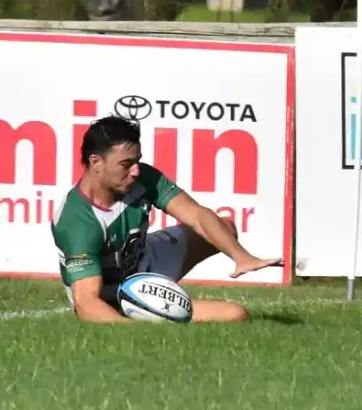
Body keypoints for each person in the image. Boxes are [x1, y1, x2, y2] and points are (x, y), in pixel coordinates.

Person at [51, 115, 283, 323]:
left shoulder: (143, 178)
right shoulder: (77, 222)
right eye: (126, 164)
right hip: (117, 294)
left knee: (224, 228)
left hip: (145, 258)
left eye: (137, 161)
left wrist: (241, 256)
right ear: (96, 163)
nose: (136, 171)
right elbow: (86, 303)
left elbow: (197, 215)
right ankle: (145, 308)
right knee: (235, 314)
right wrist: (134, 329)